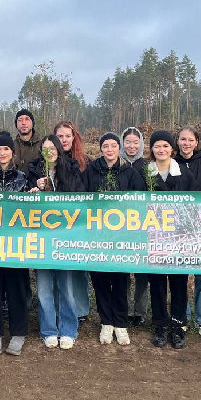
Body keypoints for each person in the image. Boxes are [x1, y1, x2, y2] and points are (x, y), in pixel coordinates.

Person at [83, 133, 144, 346]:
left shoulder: (130, 172)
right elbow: (82, 199)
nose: (109, 150)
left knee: (120, 281)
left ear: (119, 149)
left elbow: (140, 200)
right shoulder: (91, 171)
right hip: (97, 237)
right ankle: (106, 322)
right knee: (100, 281)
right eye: (105, 146)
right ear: (101, 149)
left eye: (113, 146)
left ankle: (121, 323)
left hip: (122, 238)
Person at [28, 135, 85, 349]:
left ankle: (68, 329)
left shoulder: (71, 168)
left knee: (66, 287)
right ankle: (49, 330)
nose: (49, 151)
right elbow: (24, 202)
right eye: (45, 148)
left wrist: (58, 185)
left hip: (65, 238)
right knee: (43, 288)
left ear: (59, 149)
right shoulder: (33, 170)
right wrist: (35, 189)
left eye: (53, 147)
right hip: (41, 238)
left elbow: (79, 197)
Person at [146, 130, 198, 349]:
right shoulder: (144, 174)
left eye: (165, 146)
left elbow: (196, 206)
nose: (161, 150)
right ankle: (160, 325)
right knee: (157, 284)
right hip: (153, 239)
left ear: (172, 149)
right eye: (157, 146)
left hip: (179, 240)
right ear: (152, 150)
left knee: (178, 283)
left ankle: (177, 326)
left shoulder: (185, 175)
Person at [0, 131, 30, 355]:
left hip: (16, 244)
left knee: (17, 288)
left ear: (12, 152)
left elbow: (30, 210)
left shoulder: (22, 178)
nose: (2, 153)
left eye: (6, 149)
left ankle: (18, 333)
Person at [175, 126, 201, 338]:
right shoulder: (172, 165)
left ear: (196, 142)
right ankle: (182, 317)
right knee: (180, 276)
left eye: (190, 140)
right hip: (178, 230)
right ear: (178, 141)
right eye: (182, 139)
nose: (186, 143)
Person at [53, 120, 91, 323]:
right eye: (60, 136)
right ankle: (61, 307)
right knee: (58, 267)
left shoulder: (85, 162)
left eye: (68, 136)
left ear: (74, 137)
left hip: (79, 222)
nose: (64, 140)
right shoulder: (49, 160)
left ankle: (81, 309)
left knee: (78, 268)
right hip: (56, 223)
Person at [120, 127, 148, 327]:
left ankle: (140, 311)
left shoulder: (147, 166)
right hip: (120, 226)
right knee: (123, 270)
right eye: (127, 142)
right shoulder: (116, 164)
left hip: (143, 225)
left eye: (135, 142)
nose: (131, 146)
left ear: (141, 144)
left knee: (141, 272)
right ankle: (126, 309)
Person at [13, 108, 42, 178]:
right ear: (16, 124)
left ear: (32, 123)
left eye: (27, 119)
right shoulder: (11, 147)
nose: (23, 123)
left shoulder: (42, 145)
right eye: (20, 120)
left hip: (37, 187)